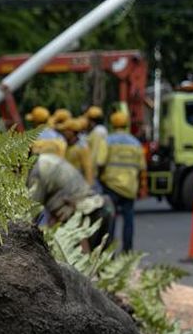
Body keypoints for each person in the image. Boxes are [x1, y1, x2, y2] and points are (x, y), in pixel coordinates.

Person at [27, 153, 114, 249]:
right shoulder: (46, 160)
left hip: (87, 212)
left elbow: (31, 213)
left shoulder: (37, 171)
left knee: (83, 259)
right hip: (101, 204)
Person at [99, 111, 146, 252]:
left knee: (110, 221)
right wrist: (142, 187)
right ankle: (127, 252)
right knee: (128, 221)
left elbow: (100, 162)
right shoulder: (136, 143)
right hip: (129, 187)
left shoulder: (107, 141)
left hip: (110, 186)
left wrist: (101, 177)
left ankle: (108, 252)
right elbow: (142, 168)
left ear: (113, 124)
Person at [61, 118, 96, 186]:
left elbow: (88, 169)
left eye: (66, 130)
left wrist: (88, 187)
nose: (64, 133)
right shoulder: (66, 146)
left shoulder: (82, 148)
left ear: (73, 132)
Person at [84, 106, 109, 176]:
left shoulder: (98, 132)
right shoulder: (100, 130)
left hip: (94, 172)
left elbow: (94, 153)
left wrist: (90, 170)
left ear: (91, 121)